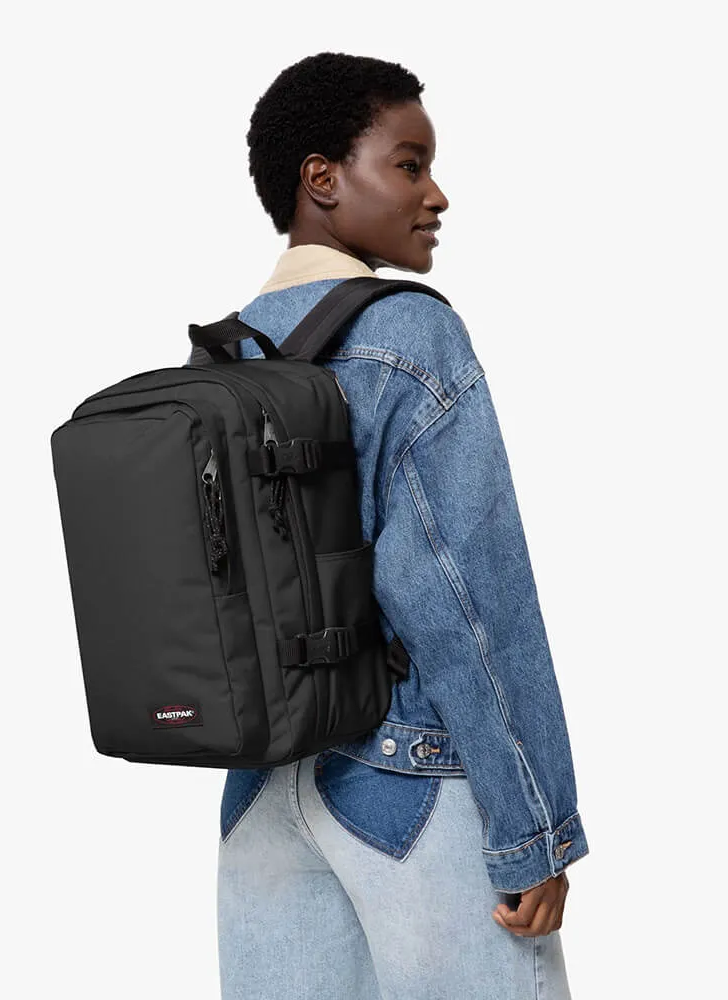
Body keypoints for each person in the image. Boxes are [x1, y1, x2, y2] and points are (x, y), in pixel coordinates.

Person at [207, 52, 589, 1000]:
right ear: (322, 178)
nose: (436, 194)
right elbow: (466, 595)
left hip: (259, 798)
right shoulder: (410, 335)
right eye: (410, 164)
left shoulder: (225, 355)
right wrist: (534, 826)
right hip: (407, 782)